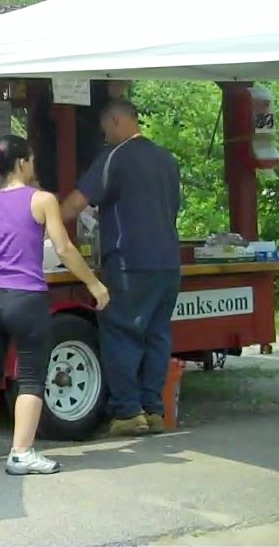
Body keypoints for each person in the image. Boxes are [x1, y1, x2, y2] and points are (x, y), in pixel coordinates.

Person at [0, 135, 110, 476]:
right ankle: (22, 452)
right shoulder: (43, 200)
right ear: (23, 162)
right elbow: (64, 249)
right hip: (26, 297)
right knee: (30, 374)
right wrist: (93, 283)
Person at [62, 98, 182, 437]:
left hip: (130, 262)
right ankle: (154, 410)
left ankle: (128, 413)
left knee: (121, 334)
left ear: (116, 120)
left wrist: (43, 219)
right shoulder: (167, 160)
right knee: (157, 335)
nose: (104, 136)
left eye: (105, 129)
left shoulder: (114, 158)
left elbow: (75, 203)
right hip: (168, 264)